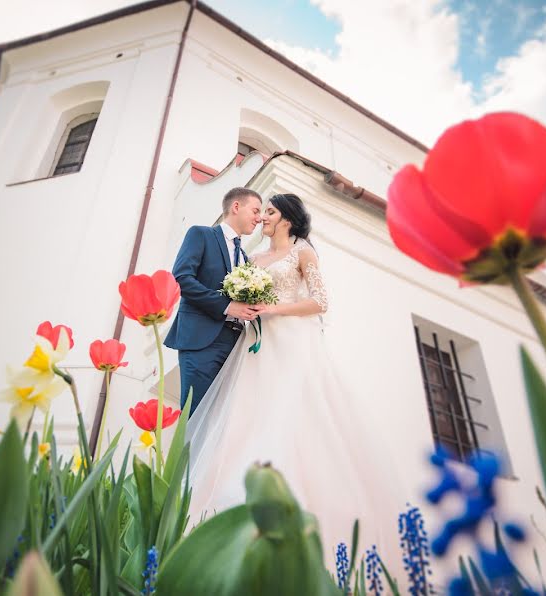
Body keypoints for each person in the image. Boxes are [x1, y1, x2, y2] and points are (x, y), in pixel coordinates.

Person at [186, 193, 395, 560]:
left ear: (286, 219)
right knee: (247, 413)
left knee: (293, 413)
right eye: (260, 211)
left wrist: (274, 308)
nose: (262, 217)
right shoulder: (252, 259)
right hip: (255, 344)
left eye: (269, 212)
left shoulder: (303, 253)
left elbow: (320, 301)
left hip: (292, 342)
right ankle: (230, 501)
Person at [164, 187, 262, 416]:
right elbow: (182, 278)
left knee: (220, 423)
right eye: (255, 210)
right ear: (236, 207)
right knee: (196, 417)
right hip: (201, 341)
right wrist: (228, 306)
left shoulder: (246, 258)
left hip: (234, 344)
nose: (259, 218)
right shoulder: (201, 235)